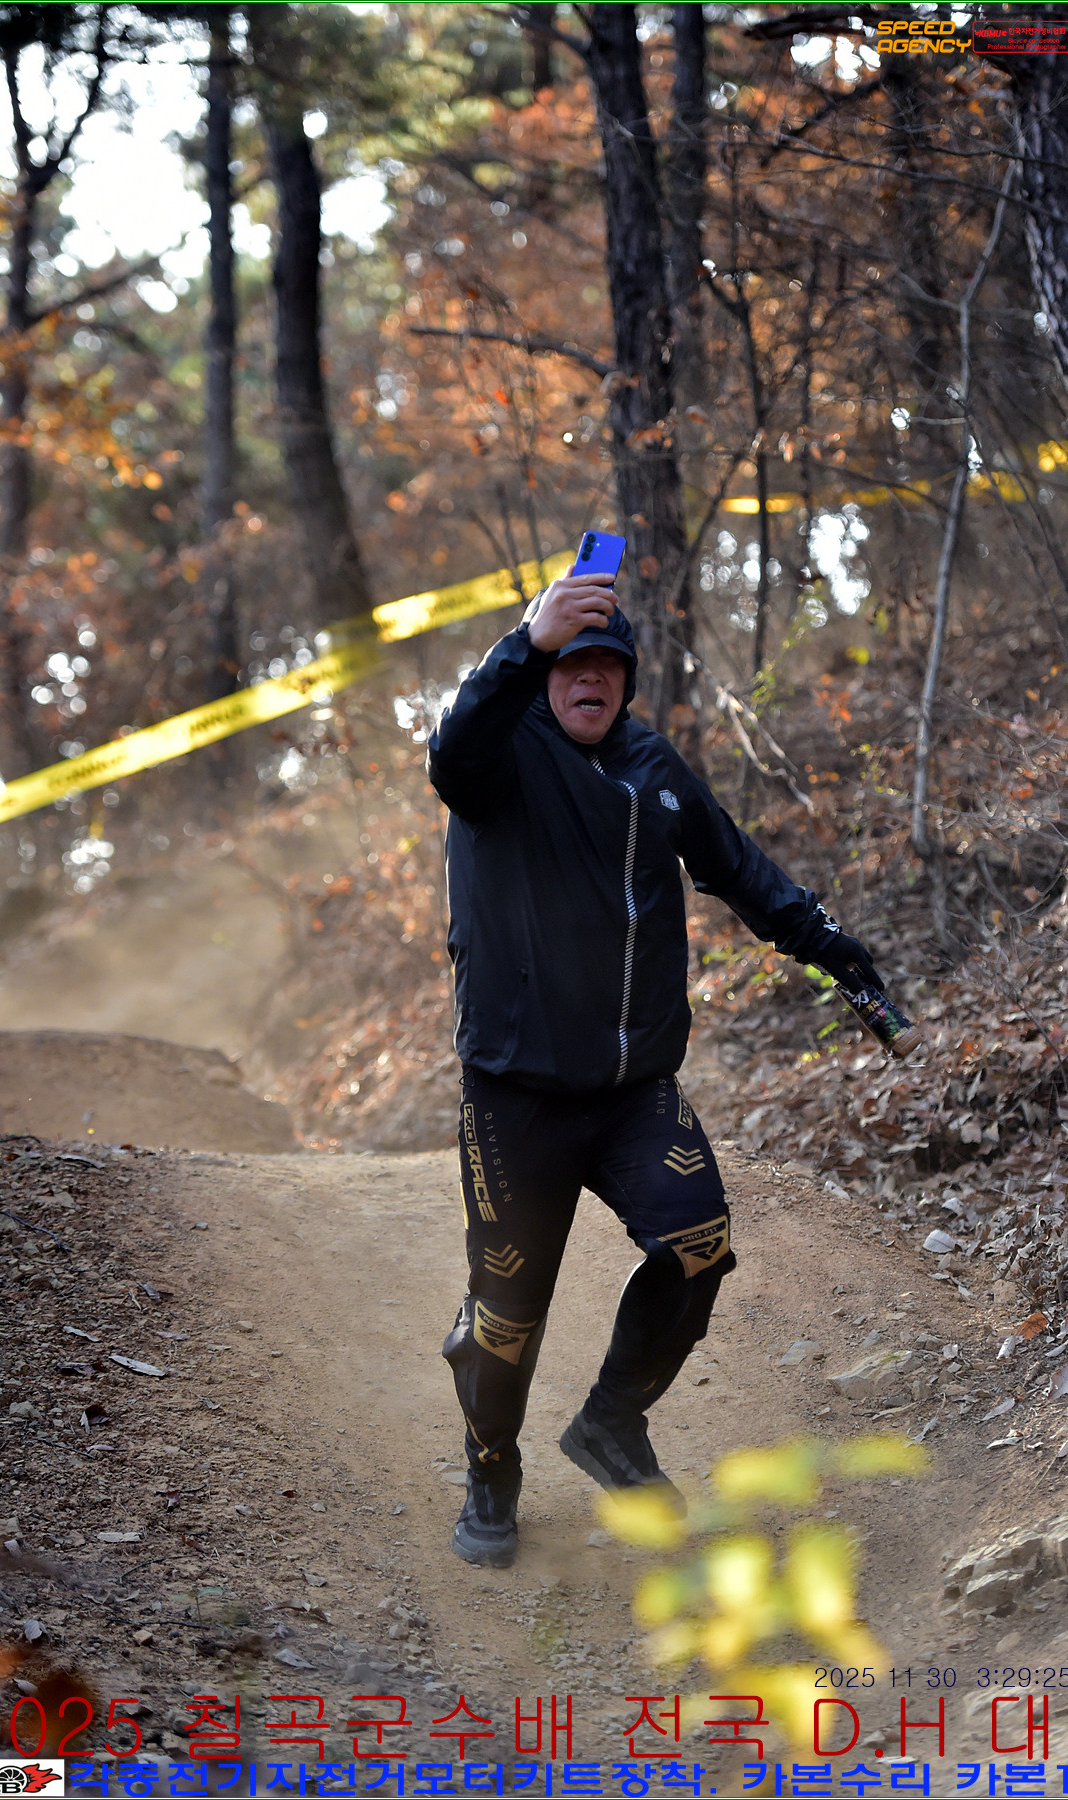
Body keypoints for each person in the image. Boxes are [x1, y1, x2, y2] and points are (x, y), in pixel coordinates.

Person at [426, 567, 883, 1568]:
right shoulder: (500, 755)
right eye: (570, 662)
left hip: (633, 1092)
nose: (587, 678)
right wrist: (524, 641)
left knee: (698, 1245)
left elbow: (737, 868)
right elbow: (451, 753)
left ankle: (612, 1423)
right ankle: (490, 1465)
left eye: (606, 665)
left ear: (627, 681)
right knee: (506, 1318)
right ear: (544, 671)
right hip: (515, 1098)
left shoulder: (652, 765)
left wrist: (828, 946)